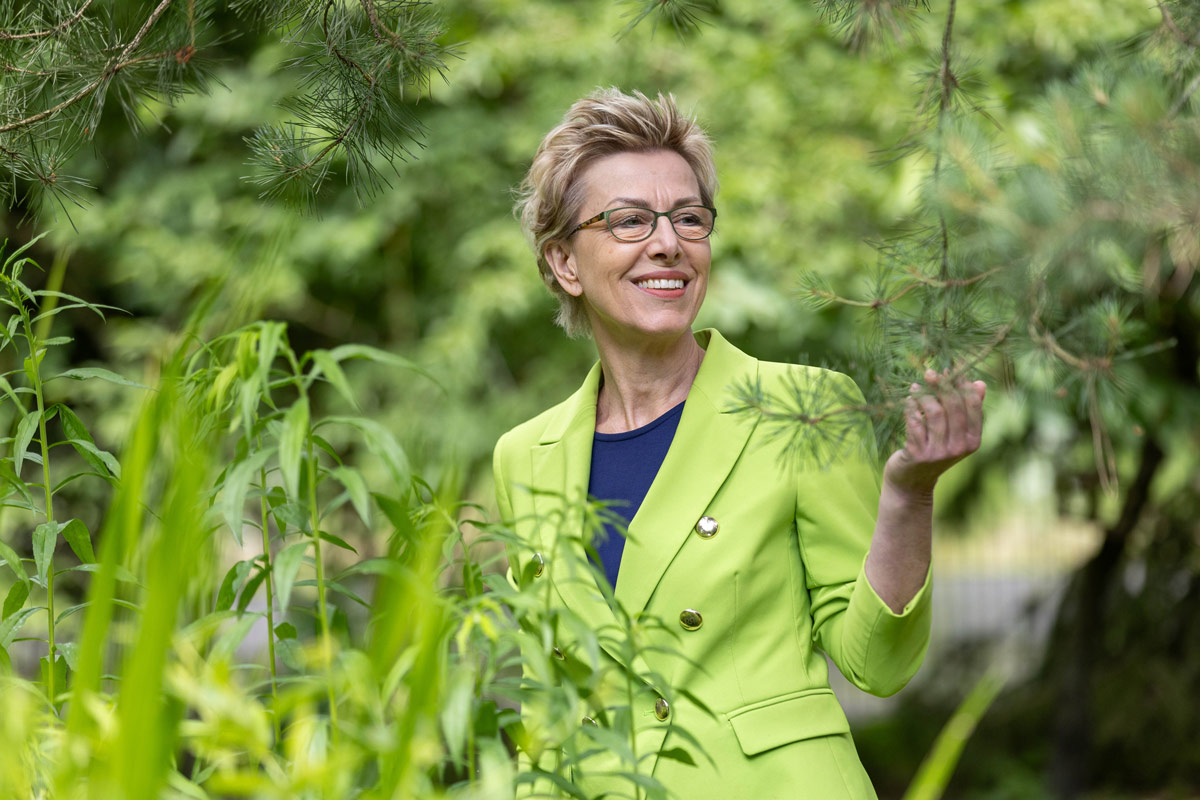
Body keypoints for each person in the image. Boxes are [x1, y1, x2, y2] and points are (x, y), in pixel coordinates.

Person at [492, 88, 986, 799]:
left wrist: (908, 495)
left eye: (689, 218)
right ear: (565, 262)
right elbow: (550, 693)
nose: (669, 242)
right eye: (629, 221)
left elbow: (877, 665)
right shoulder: (523, 457)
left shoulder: (803, 409)